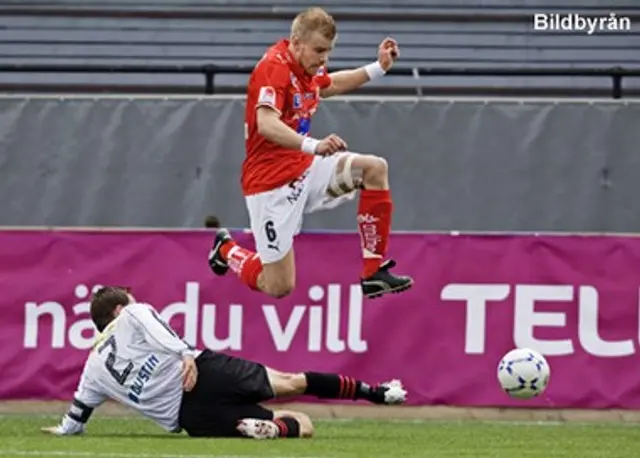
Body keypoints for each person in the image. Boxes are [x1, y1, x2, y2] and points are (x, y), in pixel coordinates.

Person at [206, 7, 414, 300]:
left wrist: (378, 68)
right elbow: (266, 124)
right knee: (279, 285)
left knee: (374, 169)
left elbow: (331, 84)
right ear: (296, 42)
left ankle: (372, 272)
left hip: (305, 168)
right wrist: (314, 145)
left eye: (328, 51)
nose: (324, 59)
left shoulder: (306, 68)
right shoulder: (274, 68)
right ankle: (226, 249)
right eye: (319, 50)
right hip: (270, 184)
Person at [41, 286, 407, 439]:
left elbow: (74, 420)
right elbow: (154, 326)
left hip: (190, 418)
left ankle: (274, 430)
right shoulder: (133, 313)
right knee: (294, 383)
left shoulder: (91, 369)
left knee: (301, 425)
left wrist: (61, 432)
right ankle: (376, 393)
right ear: (118, 309)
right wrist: (185, 353)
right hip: (206, 373)